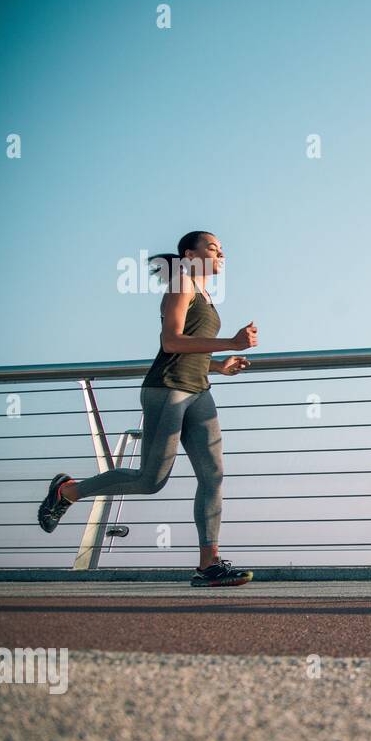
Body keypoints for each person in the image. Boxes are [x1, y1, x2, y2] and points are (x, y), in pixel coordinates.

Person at [38, 230, 258, 587]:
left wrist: (220, 365)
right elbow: (171, 341)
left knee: (213, 476)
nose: (222, 254)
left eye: (222, 250)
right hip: (167, 389)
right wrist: (230, 341)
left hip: (199, 389)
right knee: (151, 480)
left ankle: (209, 565)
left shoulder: (204, 294)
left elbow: (192, 349)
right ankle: (68, 491)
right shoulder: (181, 286)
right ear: (190, 254)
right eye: (214, 248)